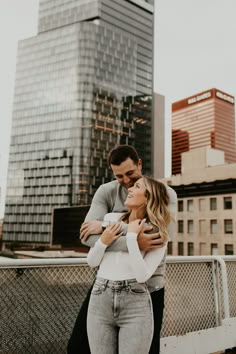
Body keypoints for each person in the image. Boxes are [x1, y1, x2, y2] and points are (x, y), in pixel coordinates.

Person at [67, 145, 177, 354]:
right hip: (107, 286)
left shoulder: (164, 192)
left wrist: (106, 228)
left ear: (139, 164)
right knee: (78, 347)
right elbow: (87, 237)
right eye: (119, 176)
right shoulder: (106, 192)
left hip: (148, 288)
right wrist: (135, 241)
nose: (126, 181)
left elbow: (162, 235)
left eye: (130, 174)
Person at [86, 176, 172, 354]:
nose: (130, 189)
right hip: (100, 296)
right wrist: (103, 240)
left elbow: (142, 276)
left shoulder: (157, 235)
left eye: (137, 186)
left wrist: (132, 238)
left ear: (148, 197)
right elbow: (92, 261)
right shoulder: (111, 218)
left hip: (136, 302)